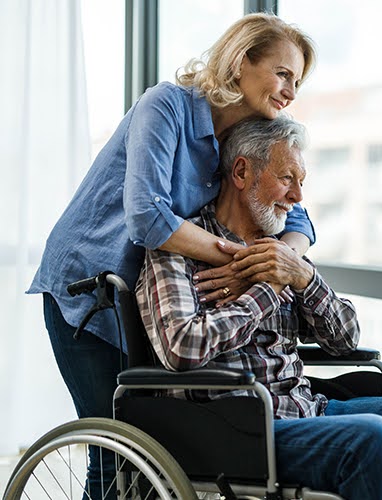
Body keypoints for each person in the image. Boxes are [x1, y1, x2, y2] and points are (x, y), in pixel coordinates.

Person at [26, 13, 318, 498]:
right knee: (116, 455)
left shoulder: (248, 135)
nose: (290, 91)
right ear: (241, 61)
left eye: (298, 82)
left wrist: (279, 263)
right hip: (88, 293)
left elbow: (300, 221)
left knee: (153, 457)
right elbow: (147, 217)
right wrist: (241, 261)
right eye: (283, 74)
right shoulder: (168, 106)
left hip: (151, 301)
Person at [136, 115, 382, 499]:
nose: (297, 198)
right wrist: (266, 291)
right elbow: (182, 348)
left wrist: (303, 278)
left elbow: (346, 338)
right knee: (373, 438)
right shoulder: (177, 250)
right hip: (235, 428)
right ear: (242, 172)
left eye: (301, 182)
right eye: (287, 178)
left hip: (308, 411)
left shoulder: (284, 252)